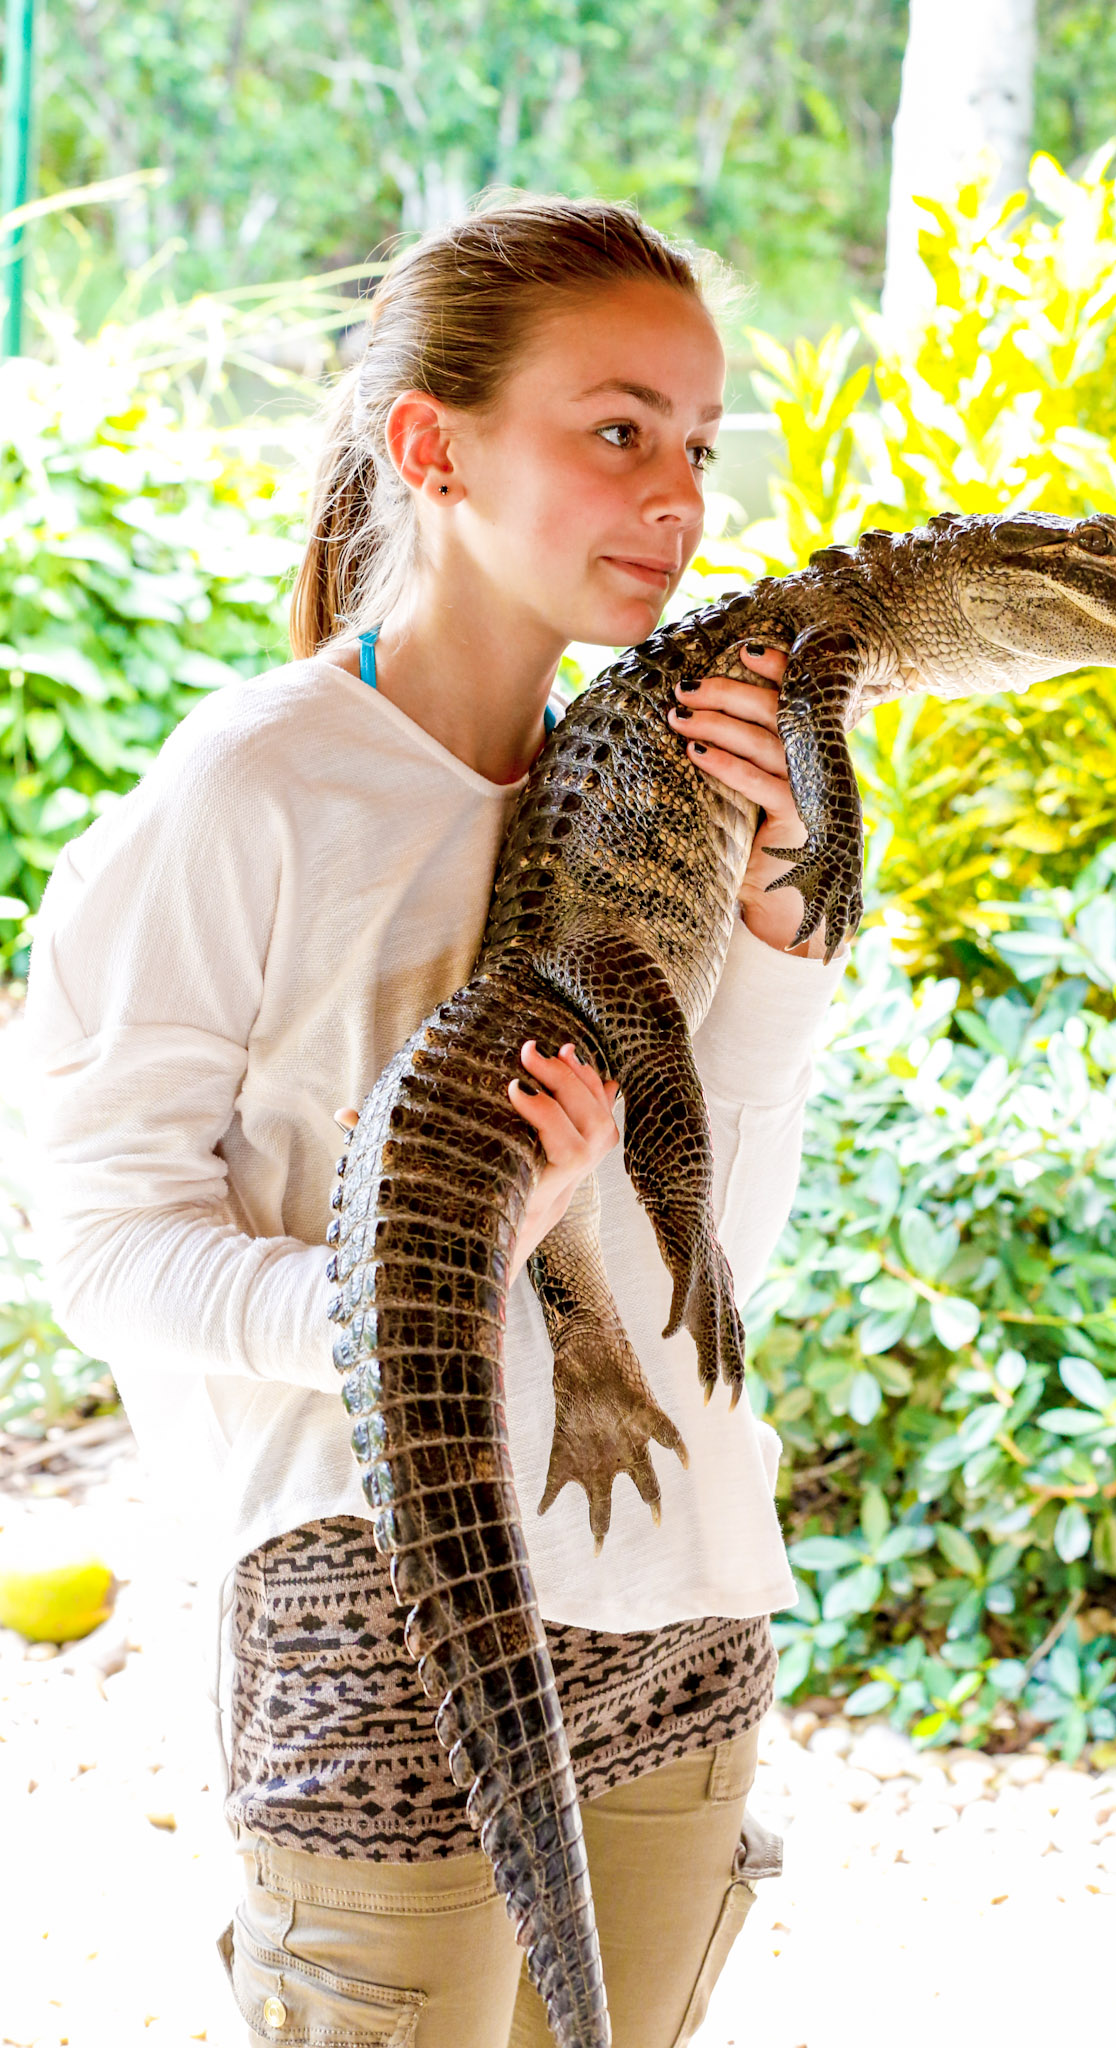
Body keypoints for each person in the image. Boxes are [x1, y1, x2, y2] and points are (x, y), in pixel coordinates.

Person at [25, 197, 849, 2047]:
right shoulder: (249, 793)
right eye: (617, 427)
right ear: (433, 447)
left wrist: (784, 926)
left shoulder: (655, 793)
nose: (680, 498)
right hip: (380, 1618)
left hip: (672, 1592)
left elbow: (716, 1269)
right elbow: (99, 1251)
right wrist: (427, 1278)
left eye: (699, 444)